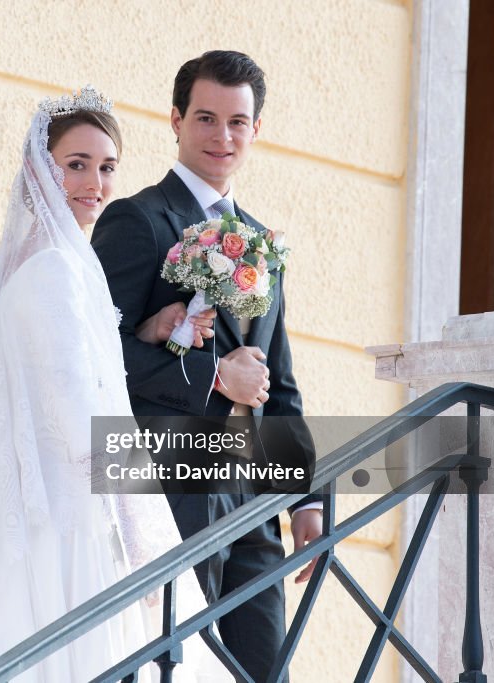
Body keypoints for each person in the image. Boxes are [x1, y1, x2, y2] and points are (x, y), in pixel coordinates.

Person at [0, 87, 221, 682]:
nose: (94, 184)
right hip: (72, 516)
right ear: (41, 168)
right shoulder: (53, 268)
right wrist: (145, 514)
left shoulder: (43, 261)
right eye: (76, 165)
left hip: (55, 502)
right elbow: (78, 419)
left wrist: (151, 330)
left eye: (107, 167)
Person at [90, 51, 322, 681]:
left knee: (261, 667)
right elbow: (98, 355)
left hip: (254, 487)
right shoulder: (136, 220)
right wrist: (215, 377)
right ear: (175, 120)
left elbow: (282, 383)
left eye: (238, 122)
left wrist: (306, 500)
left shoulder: (263, 243)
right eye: (206, 118)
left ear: (256, 130)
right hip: (172, 482)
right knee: (180, 667)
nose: (223, 137)